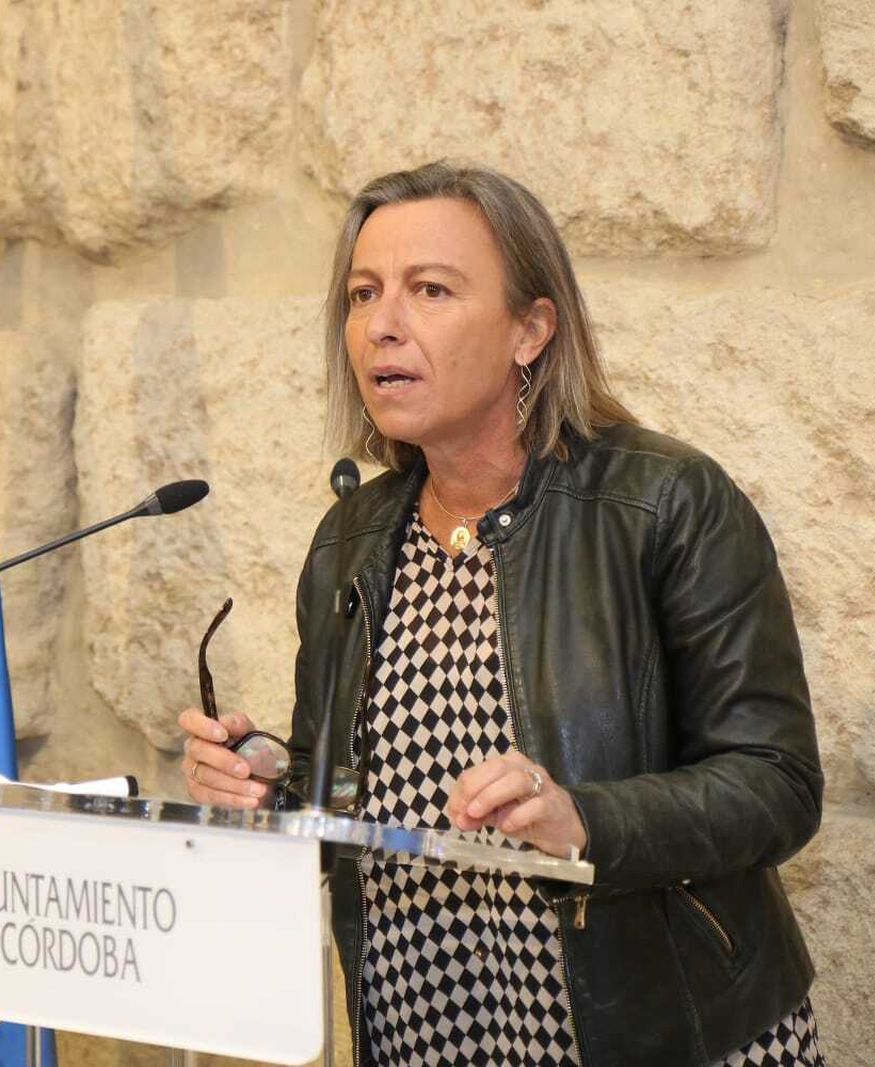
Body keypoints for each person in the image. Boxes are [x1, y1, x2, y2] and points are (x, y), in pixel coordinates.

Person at [177, 162, 825, 1067]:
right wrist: (270, 783)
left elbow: (777, 783)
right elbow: (357, 801)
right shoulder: (351, 538)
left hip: (653, 1033)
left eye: (429, 289)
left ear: (532, 328)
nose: (382, 324)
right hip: (425, 1033)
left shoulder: (665, 502)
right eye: (364, 294)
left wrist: (583, 820)